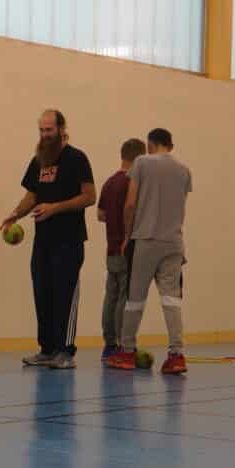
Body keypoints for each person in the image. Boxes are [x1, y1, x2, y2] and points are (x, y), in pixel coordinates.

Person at [0, 110, 95, 369]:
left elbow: (89, 196)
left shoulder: (77, 158)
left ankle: (66, 352)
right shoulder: (39, 160)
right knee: (42, 293)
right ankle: (47, 349)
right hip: (43, 242)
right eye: (41, 130)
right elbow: (32, 195)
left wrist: (55, 207)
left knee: (64, 294)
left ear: (62, 129)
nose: (44, 135)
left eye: (49, 130)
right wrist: (15, 214)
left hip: (69, 241)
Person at [106, 128, 192, 375]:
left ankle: (127, 352)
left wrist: (126, 236)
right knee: (171, 300)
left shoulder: (142, 162)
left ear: (150, 145)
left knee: (135, 299)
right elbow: (179, 207)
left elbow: (130, 203)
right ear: (171, 145)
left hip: (145, 239)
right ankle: (176, 355)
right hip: (174, 242)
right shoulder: (184, 170)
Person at [97, 138, 145, 361]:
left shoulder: (109, 183)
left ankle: (109, 344)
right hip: (129, 248)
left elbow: (101, 215)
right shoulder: (133, 183)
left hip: (111, 247)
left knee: (111, 296)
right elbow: (133, 208)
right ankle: (121, 344)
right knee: (125, 297)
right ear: (139, 158)